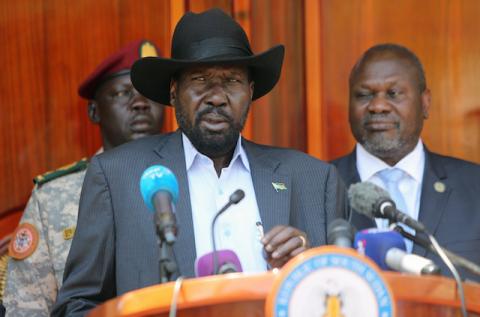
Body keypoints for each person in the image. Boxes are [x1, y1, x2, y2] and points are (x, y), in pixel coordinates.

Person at [52, 8, 347, 315]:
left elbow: (352, 295)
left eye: (231, 81)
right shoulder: (117, 176)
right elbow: (76, 305)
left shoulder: (313, 179)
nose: (216, 97)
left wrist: (310, 265)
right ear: (174, 90)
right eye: (201, 80)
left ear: (250, 91)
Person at [3, 39, 165, 317]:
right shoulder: (53, 197)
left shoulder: (189, 178)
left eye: (149, 94)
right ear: (94, 111)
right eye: (122, 94)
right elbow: (26, 308)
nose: (140, 103)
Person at [332, 43, 480, 280]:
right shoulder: (316, 186)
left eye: (394, 94)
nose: (378, 106)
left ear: (425, 103)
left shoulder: (475, 186)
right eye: (364, 95)